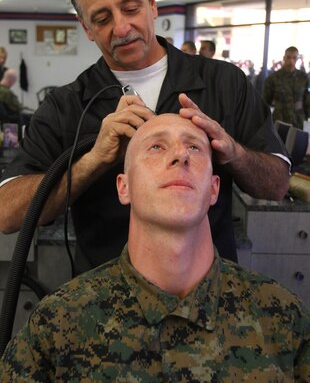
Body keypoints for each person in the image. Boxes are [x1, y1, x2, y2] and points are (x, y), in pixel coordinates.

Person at [0, 0, 289, 273]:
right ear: (86, 28)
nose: (121, 28)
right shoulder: (66, 106)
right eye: (103, 18)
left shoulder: (224, 83)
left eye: (130, 8)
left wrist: (232, 152)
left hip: (211, 299)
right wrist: (93, 161)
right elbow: (7, 213)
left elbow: (277, 185)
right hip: (105, 306)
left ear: (152, 3)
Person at [0, 113, 309, 382]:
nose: (180, 156)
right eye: (157, 146)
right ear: (124, 187)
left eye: (194, 147)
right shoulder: (58, 323)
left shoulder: (282, 318)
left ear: (214, 189)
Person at [263, 46, 310, 129]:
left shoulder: (303, 78)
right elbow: (265, 101)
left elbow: (307, 100)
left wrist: (307, 117)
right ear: (284, 58)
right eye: (288, 57)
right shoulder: (273, 78)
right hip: (279, 120)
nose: (291, 61)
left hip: (298, 120)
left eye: (294, 58)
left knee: (297, 141)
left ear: (297, 59)